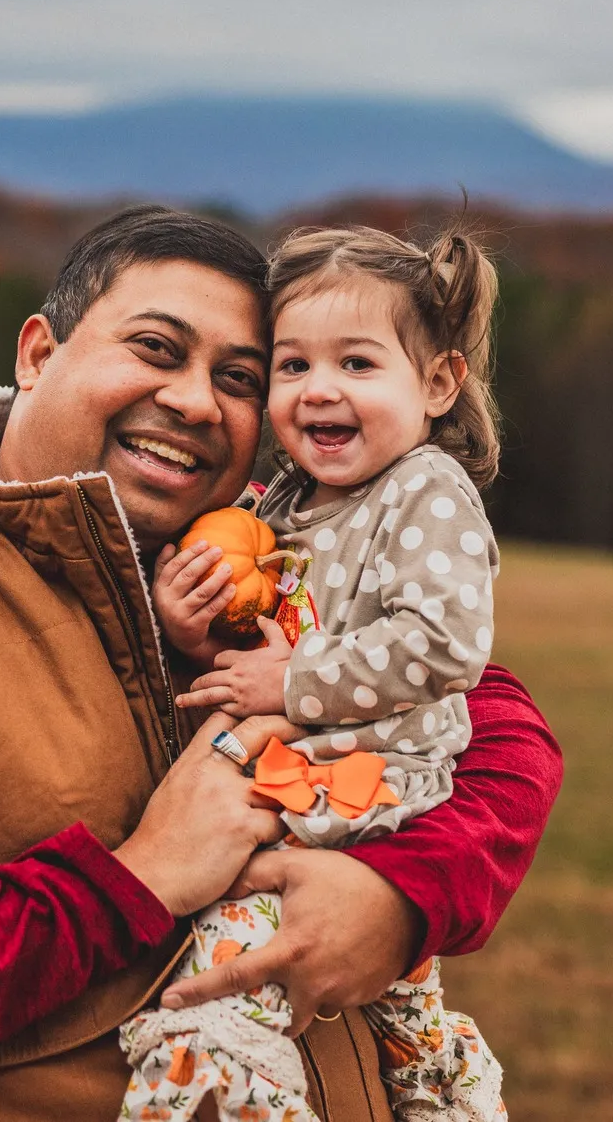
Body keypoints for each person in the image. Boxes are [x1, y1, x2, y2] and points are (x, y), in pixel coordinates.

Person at [0, 205, 564, 1121]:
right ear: (38, 352)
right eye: (156, 348)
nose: (196, 401)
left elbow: (502, 728)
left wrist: (399, 893)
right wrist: (139, 878)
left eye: (237, 375)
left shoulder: (232, 559)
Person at [122, 225, 510, 1121]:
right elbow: (267, 630)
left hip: (365, 785)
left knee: (225, 967)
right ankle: (438, 1093)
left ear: (439, 383)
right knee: (397, 997)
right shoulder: (288, 495)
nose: (320, 389)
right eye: (291, 366)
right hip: (308, 772)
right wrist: (194, 622)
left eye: (359, 364)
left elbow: (446, 645)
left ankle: (223, 1090)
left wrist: (290, 688)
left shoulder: (424, 489)